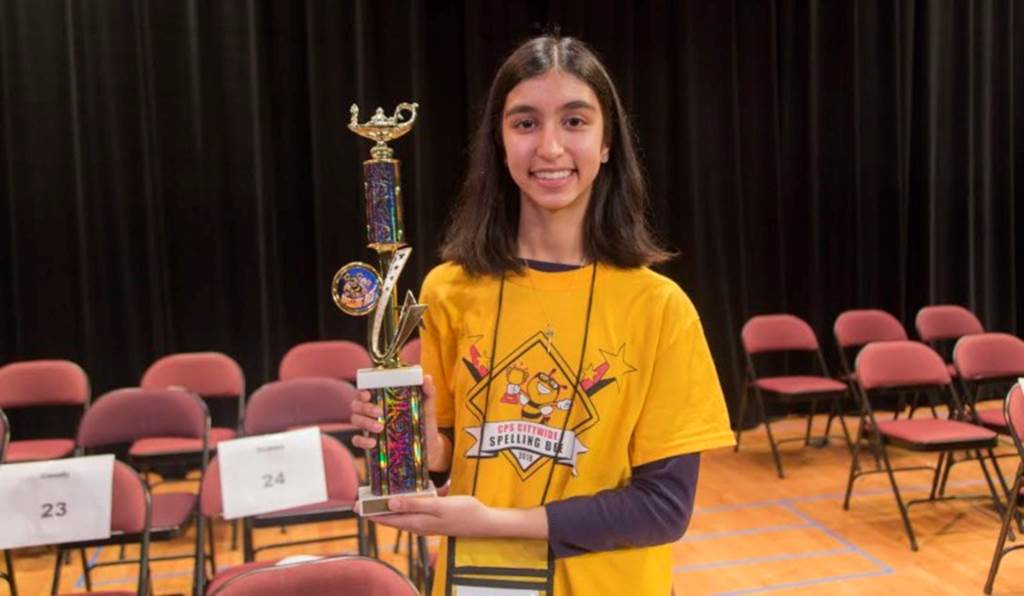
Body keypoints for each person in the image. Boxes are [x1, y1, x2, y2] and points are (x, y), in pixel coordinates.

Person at [351, 34, 734, 595]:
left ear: (607, 144)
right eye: (525, 123)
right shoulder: (449, 289)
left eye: (575, 122)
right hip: (479, 581)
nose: (550, 147)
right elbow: (454, 457)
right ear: (499, 143)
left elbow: (664, 508)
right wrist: (417, 445)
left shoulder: (660, 308)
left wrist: (496, 524)